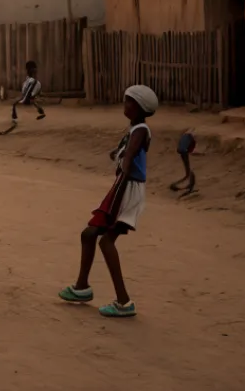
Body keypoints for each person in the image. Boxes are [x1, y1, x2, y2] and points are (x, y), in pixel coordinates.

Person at [59, 84, 158, 318]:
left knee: (105, 241)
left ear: (139, 107)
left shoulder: (140, 130)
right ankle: (81, 287)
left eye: (128, 102)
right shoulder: (136, 128)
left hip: (126, 189)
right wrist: (118, 152)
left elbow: (131, 155)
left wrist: (123, 169)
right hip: (123, 187)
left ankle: (124, 302)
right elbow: (128, 149)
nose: (125, 105)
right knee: (89, 234)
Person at [169, 129, 197, 196]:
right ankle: (189, 186)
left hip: (182, 151)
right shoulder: (190, 137)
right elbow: (192, 146)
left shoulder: (184, 136)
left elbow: (180, 147)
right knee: (189, 170)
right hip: (184, 151)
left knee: (188, 170)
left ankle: (185, 184)